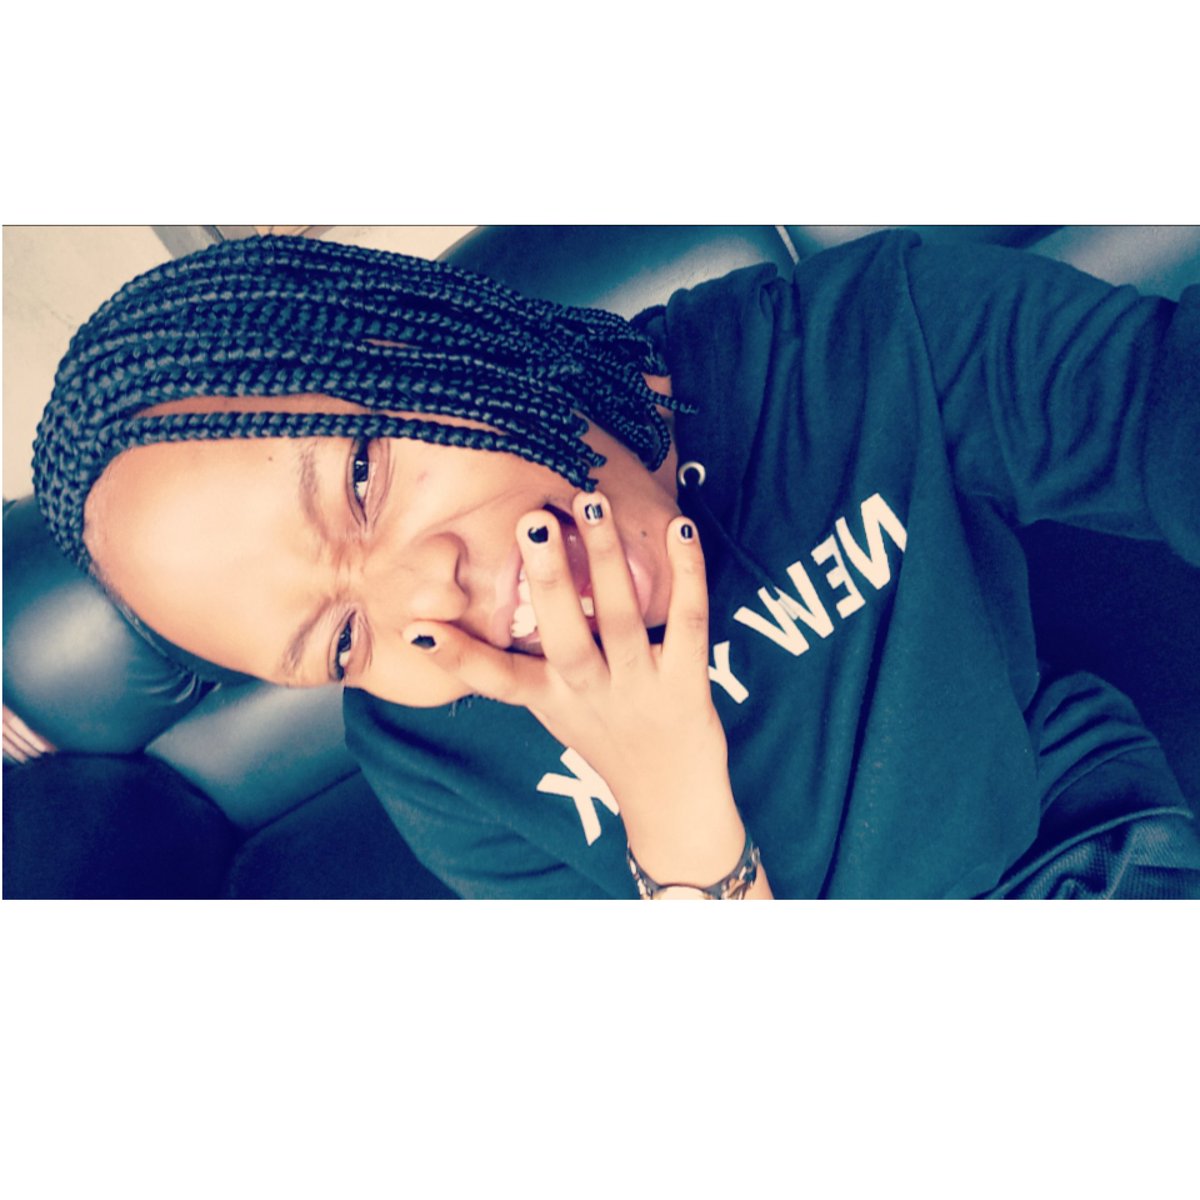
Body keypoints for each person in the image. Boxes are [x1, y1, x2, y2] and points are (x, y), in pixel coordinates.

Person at [32, 231, 1200, 899]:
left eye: (362, 482)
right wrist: (670, 798)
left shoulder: (859, 345)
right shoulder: (425, 751)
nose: (424, 597)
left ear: (418, 339)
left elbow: (1163, 402)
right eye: (341, 639)